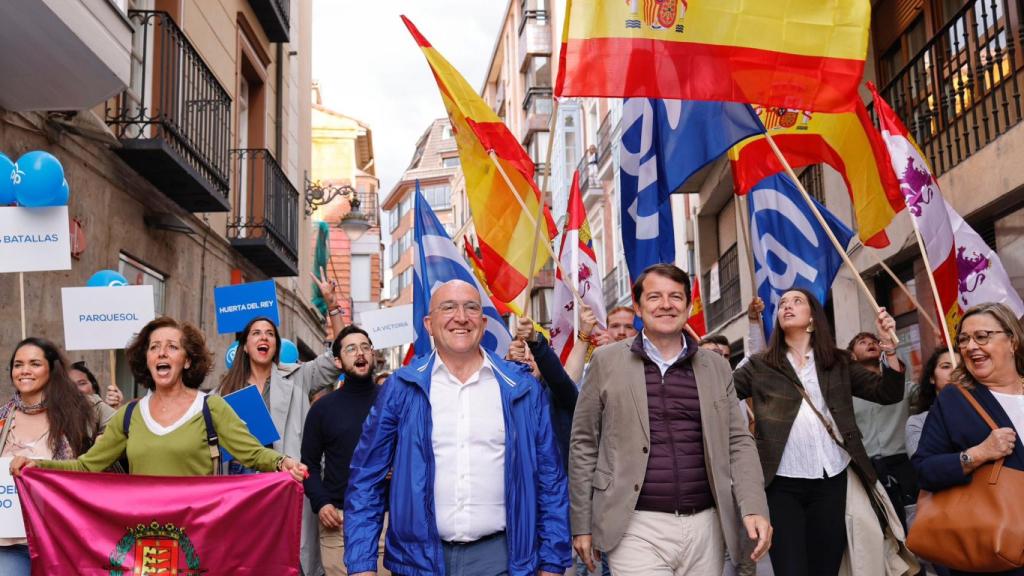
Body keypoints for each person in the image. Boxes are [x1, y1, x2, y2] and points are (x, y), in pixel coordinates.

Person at [344, 279, 572, 576]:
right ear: (428, 323)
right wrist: (361, 564)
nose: (461, 317)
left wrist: (553, 562)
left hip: (501, 560)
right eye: (448, 307)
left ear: (484, 321)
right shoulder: (401, 388)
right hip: (418, 562)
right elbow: (366, 479)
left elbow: (550, 481)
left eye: (471, 308)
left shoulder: (523, 389)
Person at [571, 263, 772, 575]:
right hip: (634, 526)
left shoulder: (716, 367)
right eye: (654, 297)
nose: (666, 305)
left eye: (676, 297)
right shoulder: (606, 361)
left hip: (707, 525)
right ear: (638, 306)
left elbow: (739, 441)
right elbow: (583, 443)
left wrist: (755, 506)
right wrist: (581, 523)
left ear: (688, 306)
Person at [733, 289, 905, 576]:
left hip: (831, 480)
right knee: (791, 569)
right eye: (782, 304)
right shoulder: (761, 365)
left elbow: (887, 392)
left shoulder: (837, 361)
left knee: (826, 568)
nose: (787, 306)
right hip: (780, 484)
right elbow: (722, 396)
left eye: (796, 301)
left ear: (813, 315)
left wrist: (888, 344)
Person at [10, 317, 307, 482]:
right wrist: (37, 465)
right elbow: (87, 466)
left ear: (187, 361)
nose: (162, 353)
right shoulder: (129, 416)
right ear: (147, 359)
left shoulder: (211, 407)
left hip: (196, 542)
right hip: (146, 546)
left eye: (172, 347)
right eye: (154, 347)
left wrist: (283, 463)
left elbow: (253, 454)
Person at [217, 272, 344, 575]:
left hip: (286, 495)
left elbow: (339, 355)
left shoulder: (298, 377)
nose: (264, 338)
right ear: (244, 346)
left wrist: (333, 308)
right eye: (256, 334)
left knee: (290, 564)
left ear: (276, 345)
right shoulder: (222, 393)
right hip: (242, 498)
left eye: (270, 334)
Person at [911, 302, 1024, 576]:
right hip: (996, 551)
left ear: (1012, 341)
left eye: (982, 336)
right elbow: (925, 470)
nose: (971, 346)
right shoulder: (955, 399)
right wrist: (978, 454)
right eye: (964, 339)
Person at [1, 338, 97, 574]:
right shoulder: (3, 417)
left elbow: (124, 426)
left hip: (60, 538)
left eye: (34, 363)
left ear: (52, 369)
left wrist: (102, 441)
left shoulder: (80, 411)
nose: (24, 371)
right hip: (10, 544)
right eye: (18, 364)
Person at [301, 325, 388, 576]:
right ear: (338, 361)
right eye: (351, 349)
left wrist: (397, 466)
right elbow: (309, 465)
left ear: (372, 355)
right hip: (338, 523)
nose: (359, 353)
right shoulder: (322, 409)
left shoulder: (392, 400)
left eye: (365, 347)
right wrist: (322, 503)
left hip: (384, 521)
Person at [848, 331, 917, 528]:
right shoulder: (844, 394)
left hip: (902, 464)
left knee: (913, 523)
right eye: (862, 342)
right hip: (867, 468)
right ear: (852, 356)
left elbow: (929, 395)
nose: (870, 344)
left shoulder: (901, 387)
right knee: (879, 526)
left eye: (874, 342)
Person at [906, 349, 956, 458]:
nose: (955, 371)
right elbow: (924, 466)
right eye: (946, 366)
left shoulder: (981, 410)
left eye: (961, 368)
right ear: (932, 378)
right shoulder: (918, 422)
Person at [68, 360, 116, 433]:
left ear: (93, 387)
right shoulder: (52, 414)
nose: (76, 389)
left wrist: (118, 408)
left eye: (82, 383)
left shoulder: (102, 410)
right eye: (69, 386)